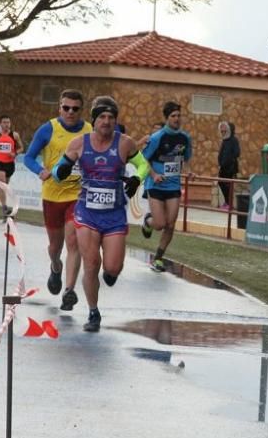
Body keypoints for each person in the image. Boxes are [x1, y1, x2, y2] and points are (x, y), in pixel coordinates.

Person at [50, 96, 141, 332]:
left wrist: (137, 177)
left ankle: (111, 274)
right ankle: (93, 312)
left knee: (112, 268)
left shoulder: (125, 143)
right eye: (102, 116)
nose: (107, 121)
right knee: (91, 264)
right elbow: (57, 173)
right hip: (87, 214)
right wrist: (63, 168)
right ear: (94, 119)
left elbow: (144, 165)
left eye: (111, 117)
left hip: (114, 216)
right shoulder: (79, 144)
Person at [23, 89, 91, 311]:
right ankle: (55, 266)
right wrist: (40, 171)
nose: (70, 112)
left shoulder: (90, 131)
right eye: (66, 108)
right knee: (55, 246)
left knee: (74, 242)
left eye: (75, 109)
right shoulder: (48, 129)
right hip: (52, 195)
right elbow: (28, 157)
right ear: (59, 108)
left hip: (77, 195)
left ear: (82, 110)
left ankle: (69, 292)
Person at [140, 101, 192, 272]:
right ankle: (148, 221)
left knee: (170, 225)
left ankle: (158, 258)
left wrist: (190, 172)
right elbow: (142, 159)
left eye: (179, 115)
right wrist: (154, 175)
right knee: (160, 224)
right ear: (167, 118)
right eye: (173, 116)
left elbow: (185, 159)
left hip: (173, 186)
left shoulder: (185, 138)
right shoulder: (157, 138)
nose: (177, 119)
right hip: (156, 185)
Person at [0, 114, 25, 215]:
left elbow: (21, 148)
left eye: (8, 122)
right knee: (2, 183)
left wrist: (15, 153)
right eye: (4, 122)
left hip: (9, 164)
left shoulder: (15, 135)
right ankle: (4, 208)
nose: (6, 125)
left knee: (4, 185)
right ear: (0, 124)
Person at [217, 121, 240, 209]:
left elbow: (237, 153)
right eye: (221, 131)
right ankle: (227, 202)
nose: (223, 133)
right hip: (223, 167)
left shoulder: (233, 140)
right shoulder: (225, 141)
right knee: (221, 183)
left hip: (230, 167)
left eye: (224, 131)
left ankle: (228, 203)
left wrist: (229, 160)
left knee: (228, 185)